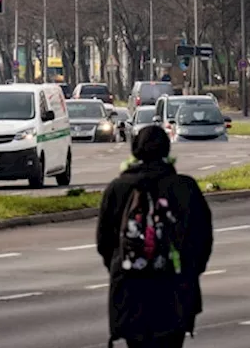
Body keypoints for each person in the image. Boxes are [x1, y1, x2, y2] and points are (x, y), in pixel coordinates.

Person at [96, 125, 213, 348]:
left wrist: (120, 265)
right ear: (167, 150)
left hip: (131, 290)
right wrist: (190, 271)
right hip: (174, 289)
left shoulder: (118, 189)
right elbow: (202, 238)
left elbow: (104, 242)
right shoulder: (184, 188)